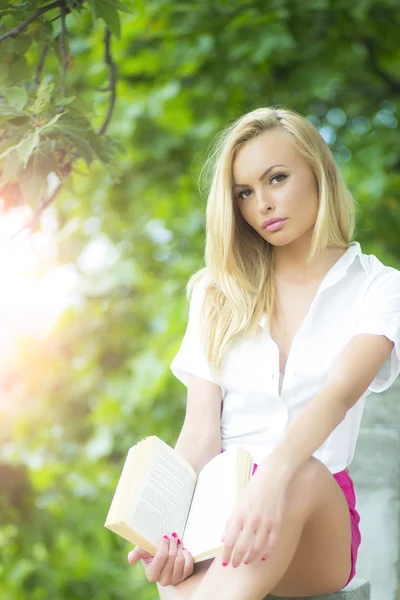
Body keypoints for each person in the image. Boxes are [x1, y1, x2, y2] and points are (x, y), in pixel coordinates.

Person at [127, 106, 400, 599]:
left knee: (300, 470)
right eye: (245, 194)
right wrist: (166, 531)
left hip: (314, 512)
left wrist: (269, 478)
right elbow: (201, 432)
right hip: (220, 515)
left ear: (319, 173)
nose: (263, 205)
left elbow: (338, 396)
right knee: (184, 577)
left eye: (277, 178)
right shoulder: (214, 291)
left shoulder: (380, 288)